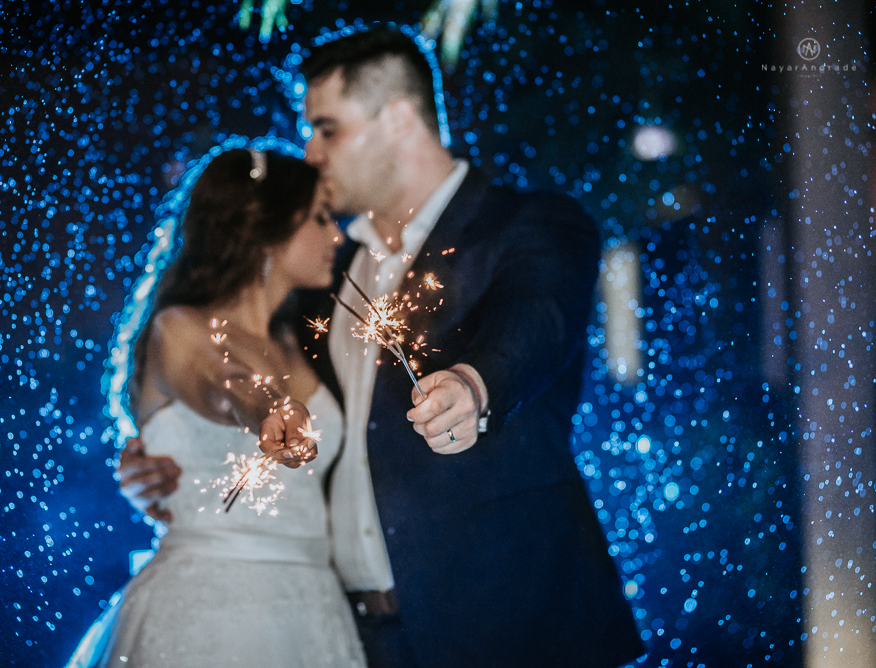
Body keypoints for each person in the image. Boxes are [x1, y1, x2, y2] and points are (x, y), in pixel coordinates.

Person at [121, 27, 645, 667]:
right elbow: (231, 369)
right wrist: (164, 458)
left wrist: (474, 384)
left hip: (508, 624)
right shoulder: (323, 278)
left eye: (327, 129)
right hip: (351, 633)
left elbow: (537, 318)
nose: (310, 152)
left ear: (398, 119)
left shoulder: (527, 225)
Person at [85, 148, 366, 667]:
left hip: (316, 611)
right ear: (266, 228)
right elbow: (224, 382)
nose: (338, 235)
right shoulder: (180, 328)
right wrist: (267, 412)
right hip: (209, 612)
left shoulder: (300, 339)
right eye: (320, 218)